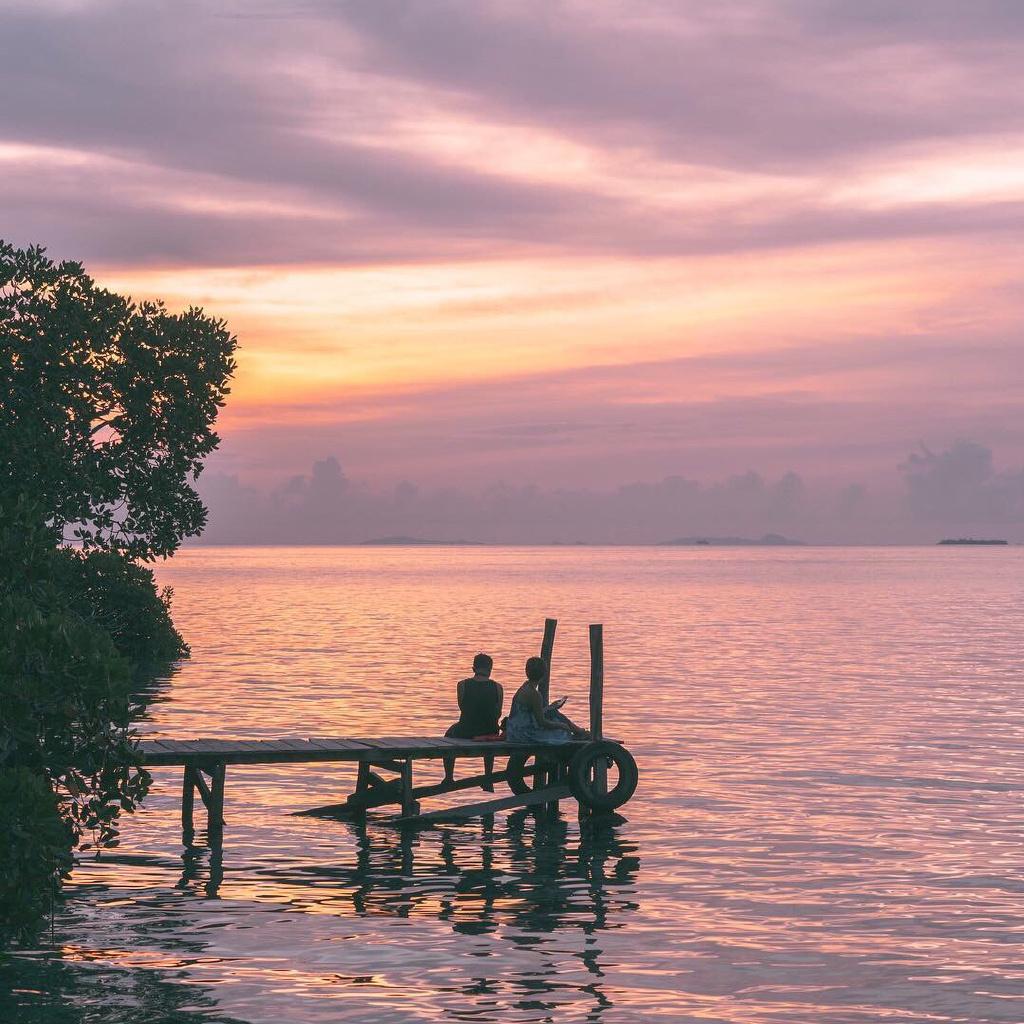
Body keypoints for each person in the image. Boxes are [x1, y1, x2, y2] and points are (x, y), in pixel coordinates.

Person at [442, 653, 503, 788]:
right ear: (490, 669)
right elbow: (498, 713)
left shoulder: (462, 685)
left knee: (448, 734)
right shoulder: (498, 687)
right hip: (489, 730)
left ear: (473, 668)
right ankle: (488, 777)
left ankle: (449, 777)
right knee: (491, 730)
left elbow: (463, 708)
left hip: (466, 730)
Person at [506, 656, 590, 743]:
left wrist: (551, 707)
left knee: (552, 711)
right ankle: (579, 732)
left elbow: (532, 715)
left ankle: (578, 731)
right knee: (563, 732)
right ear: (543, 675)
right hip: (523, 734)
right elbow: (541, 722)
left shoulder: (524, 687)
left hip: (513, 729)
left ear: (526, 671)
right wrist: (561, 725)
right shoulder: (535, 695)